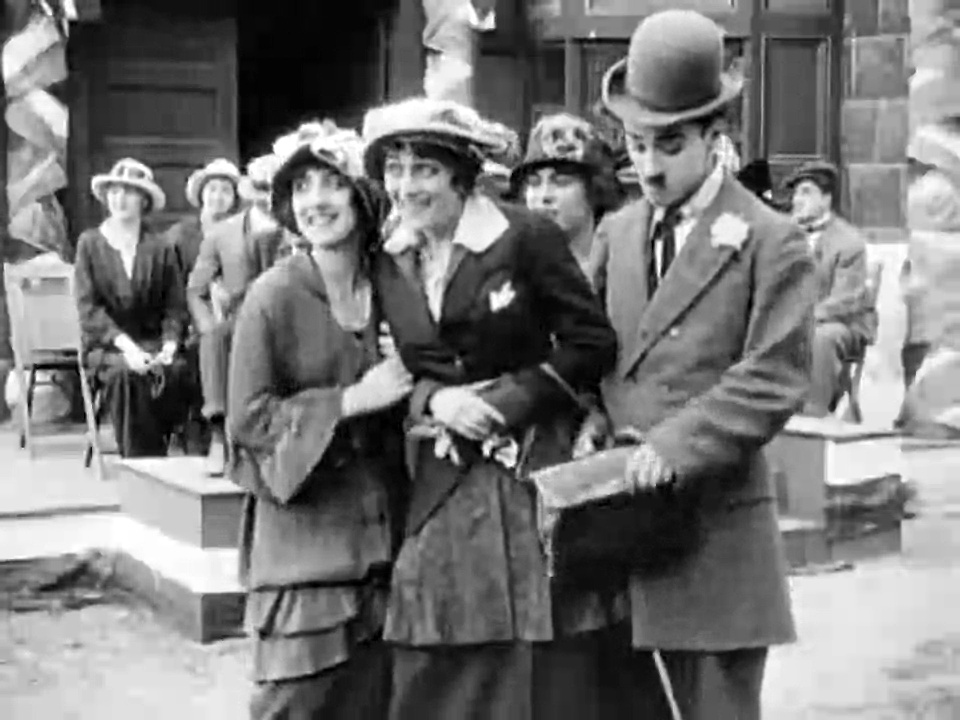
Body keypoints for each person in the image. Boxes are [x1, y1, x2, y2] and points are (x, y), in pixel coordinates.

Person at [584, 11, 816, 718]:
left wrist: (673, 445)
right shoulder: (618, 230)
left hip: (716, 539)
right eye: (636, 145)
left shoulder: (772, 240)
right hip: (620, 532)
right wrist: (589, 416)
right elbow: (590, 348)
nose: (649, 167)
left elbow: (774, 376)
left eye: (670, 145)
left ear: (715, 138)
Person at [362, 97, 620, 720]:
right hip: (436, 472)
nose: (405, 186)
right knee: (432, 631)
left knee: (533, 646)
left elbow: (592, 343)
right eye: (394, 169)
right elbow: (398, 365)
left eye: (424, 169)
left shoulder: (524, 236)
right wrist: (437, 399)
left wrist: (508, 401)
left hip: (526, 468)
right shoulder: (389, 258)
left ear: (461, 174)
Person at [227, 122, 410, 720]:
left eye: (332, 183)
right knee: (294, 703)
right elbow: (247, 421)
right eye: (301, 187)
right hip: (304, 554)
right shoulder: (271, 296)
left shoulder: (395, 288)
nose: (315, 201)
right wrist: (351, 400)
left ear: (363, 196)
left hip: (387, 545)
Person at [74, 158, 191, 457]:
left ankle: (172, 456)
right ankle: (142, 462)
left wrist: (168, 345)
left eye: (129, 192)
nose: (120, 198)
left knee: (177, 371)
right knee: (127, 376)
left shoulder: (161, 247)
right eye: (114, 191)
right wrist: (128, 349)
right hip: (108, 348)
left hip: (152, 343)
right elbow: (89, 310)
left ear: (144, 200)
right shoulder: (90, 244)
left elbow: (174, 306)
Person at [187, 154, 289, 476]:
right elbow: (196, 290)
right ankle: (219, 436)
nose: (267, 198)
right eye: (261, 189)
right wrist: (208, 325)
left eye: (274, 189)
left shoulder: (297, 229)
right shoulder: (221, 234)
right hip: (239, 321)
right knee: (215, 340)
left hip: (288, 320)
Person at [786, 160, 873, 417]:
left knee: (821, 338)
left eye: (806, 192)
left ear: (826, 198)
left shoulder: (848, 242)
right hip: (789, 320)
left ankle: (813, 414)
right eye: (795, 194)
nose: (796, 200)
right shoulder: (782, 235)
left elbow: (845, 301)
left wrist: (801, 320)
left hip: (839, 323)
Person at [510, 112, 623, 278]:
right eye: (534, 183)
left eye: (561, 182)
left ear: (595, 190)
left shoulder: (624, 268)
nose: (544, 196)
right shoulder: (509, 274)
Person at [166, 158, 242, 281]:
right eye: (212, 189)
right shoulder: (180, 235)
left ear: (235, 199)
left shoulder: (243, 237)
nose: (218, 197)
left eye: (226, 191)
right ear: (201, 194)